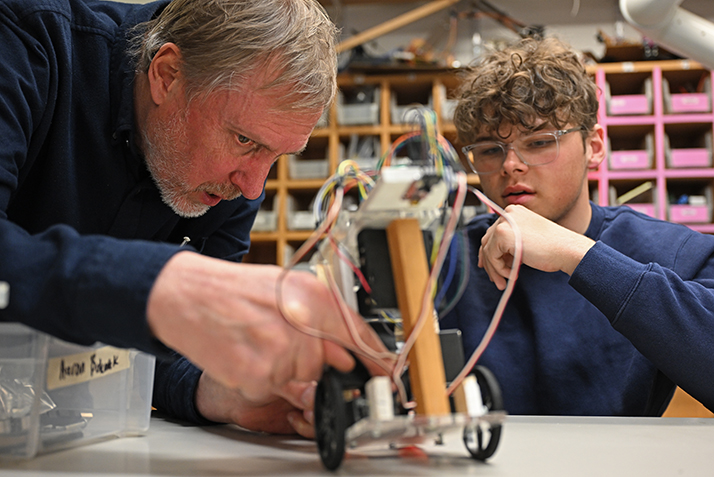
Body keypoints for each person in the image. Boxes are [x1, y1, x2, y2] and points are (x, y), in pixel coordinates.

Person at [0, 0, 389, 437]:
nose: (254, 187)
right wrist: (162, 287)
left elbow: (158, 359)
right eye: (245, 140)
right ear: (167, 75)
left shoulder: (231, 181)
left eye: (277, 155)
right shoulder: (28, 41)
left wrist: (216, 389)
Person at [440, 36, 714, 416]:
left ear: (595, 147)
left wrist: (577, 255)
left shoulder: (672, 252)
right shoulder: (447, 259)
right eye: (490, 150)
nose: (510, 165)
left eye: (538, 142)